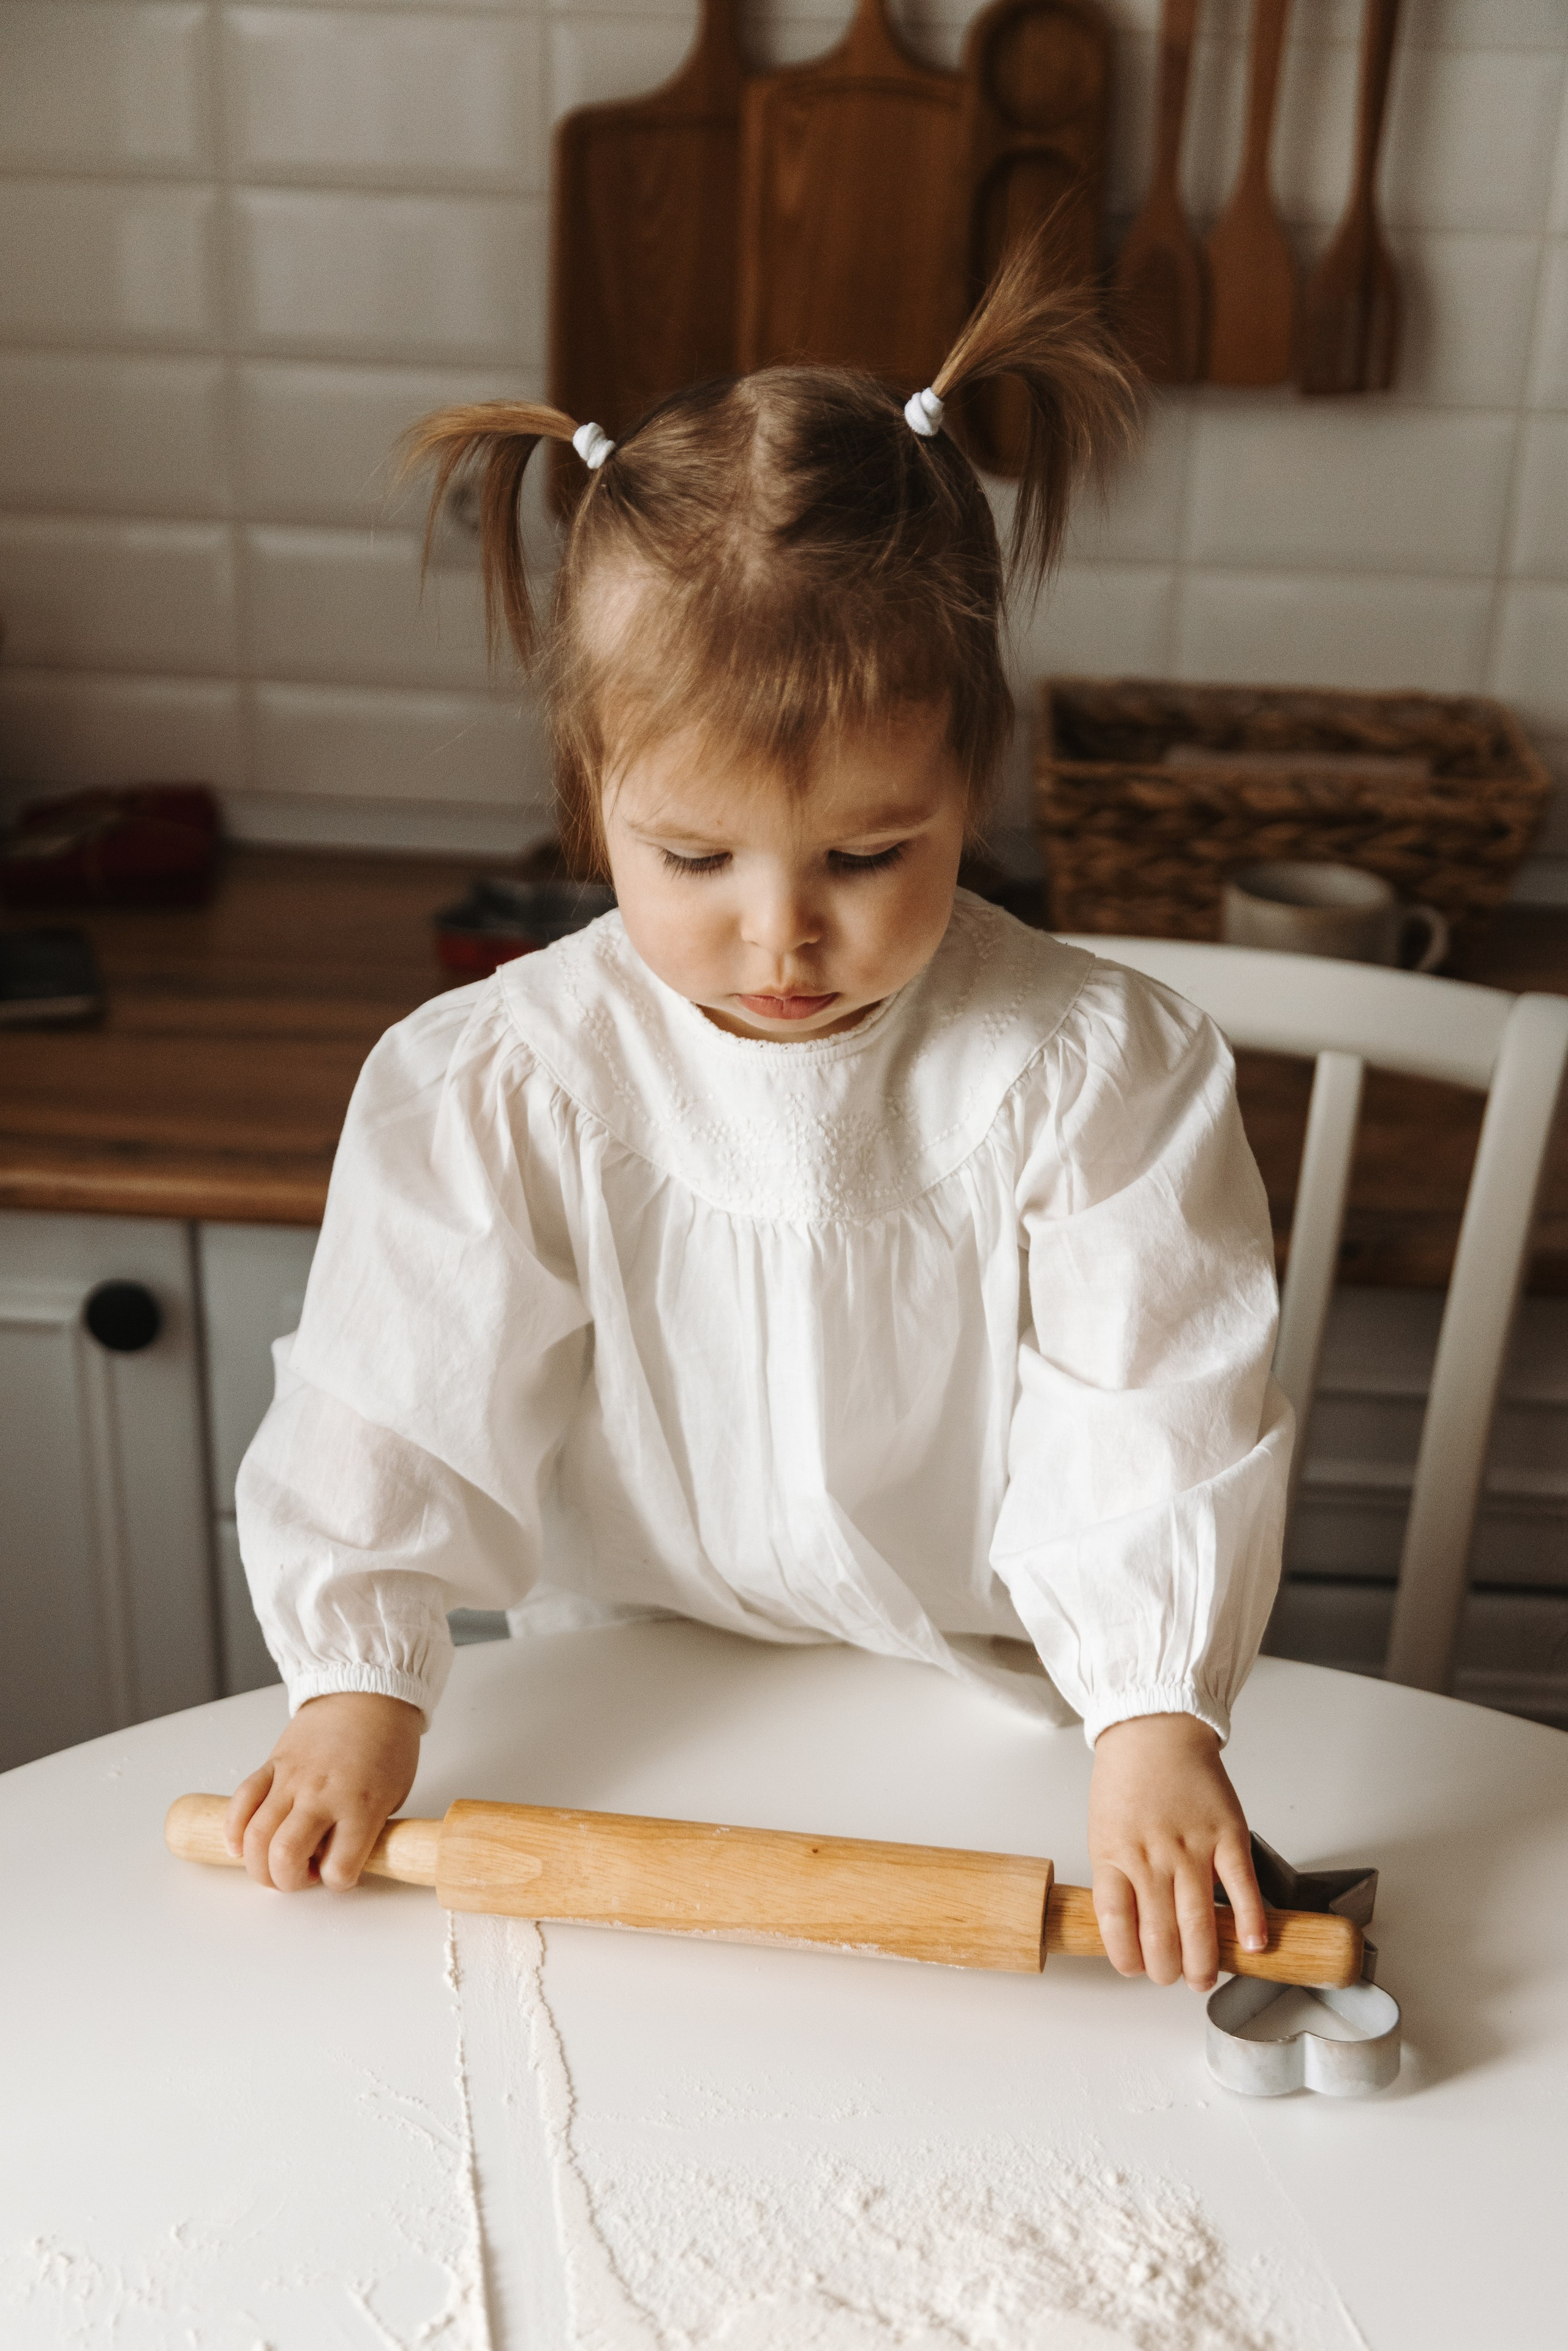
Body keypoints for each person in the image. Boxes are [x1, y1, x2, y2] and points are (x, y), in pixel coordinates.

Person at [226, 237, 1291, 1994]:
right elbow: (390, 1403)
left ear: (972, 780)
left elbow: (1154, 1411)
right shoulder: (504, 1078)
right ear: (590, 802)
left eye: (871, 854)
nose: (783, 929)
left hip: (1011, 1718)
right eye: (694, 857)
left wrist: (1155, 1723)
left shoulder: (1097, 1069)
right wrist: (359, 1690)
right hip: (629, 1706)